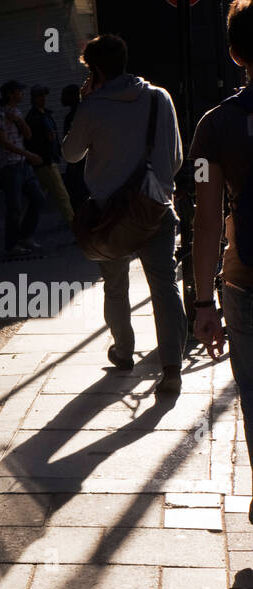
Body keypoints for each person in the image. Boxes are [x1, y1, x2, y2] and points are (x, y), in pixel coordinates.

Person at [63, 34, 186, 394]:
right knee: (165, 286)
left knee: (116, 285)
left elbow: (70, 155)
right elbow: (176, 158)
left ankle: (123, 350)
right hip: (155, 207)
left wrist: (84, 105)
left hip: (110, 216)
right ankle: (172, 368)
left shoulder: (92, 106)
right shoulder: (159, 97)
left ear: (97, 69)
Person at [192, 0, 253, 517]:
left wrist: (203, 302)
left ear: (236, 54)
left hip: (246, 282)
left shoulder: (216, 124)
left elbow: (206, 220)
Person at [0, 79, 47, 257]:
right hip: (9, 166)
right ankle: (12, 245)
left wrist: (19, 121)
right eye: (19, 91)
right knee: (14, 206)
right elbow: (2, 141)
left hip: (22, 164)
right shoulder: (0, 115)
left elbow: (28, 135)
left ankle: (25, 235)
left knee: (38, 198)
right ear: (10, 94)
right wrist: (28, 155)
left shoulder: (16, 112)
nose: (22, 94)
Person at [25, 84, 75, 224]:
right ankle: (76, 227)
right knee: (62, 195)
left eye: (44, 96)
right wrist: (46, 140)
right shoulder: (34, 117)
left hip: (48, 160)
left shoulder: (44, 114)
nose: (43, 98)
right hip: (46, 162)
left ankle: (23, 230)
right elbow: (31, 141)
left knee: (37, 199)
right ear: (34, 98)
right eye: (40, 96)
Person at [61, 84, 90, 207]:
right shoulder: (84, 112)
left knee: (77, 197)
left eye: (64, 95)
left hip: (77, 163)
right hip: (82, 163)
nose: (61, 99)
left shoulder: (75, 116)